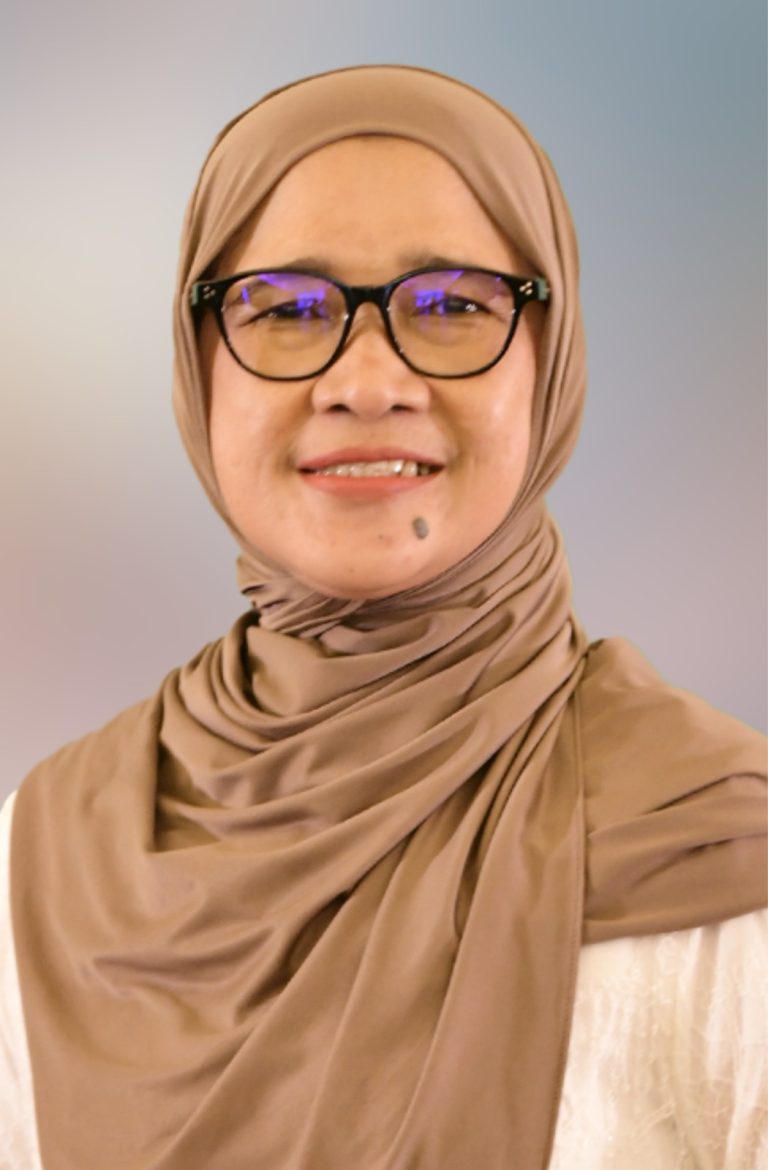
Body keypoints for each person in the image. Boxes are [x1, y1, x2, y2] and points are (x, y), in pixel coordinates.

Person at [1, 65, 765, 1170]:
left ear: (552, 360)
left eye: (453, 306)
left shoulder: (721, 858)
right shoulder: (38, 862)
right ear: (197, 363)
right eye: (285, 308)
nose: (366, 382)